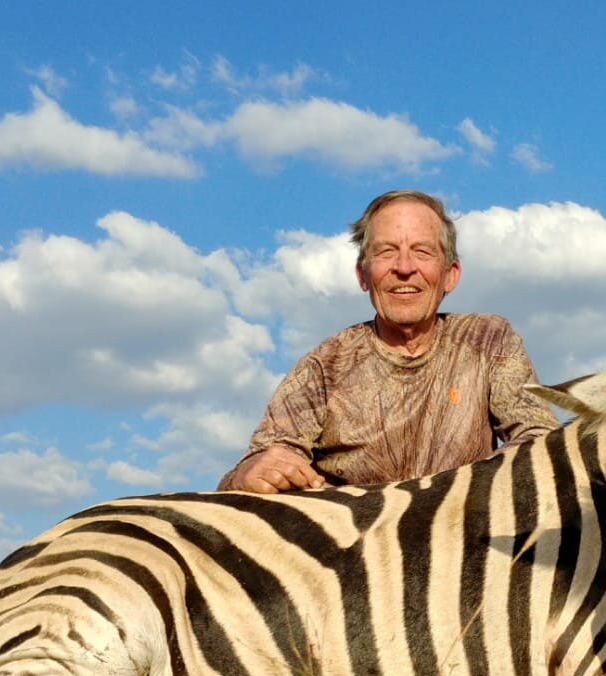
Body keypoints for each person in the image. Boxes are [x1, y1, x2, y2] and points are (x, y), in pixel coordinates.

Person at [219, 190, 558, 494]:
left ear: (450, 275)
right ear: (363, 275)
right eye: (386, 252)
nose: (404, 268)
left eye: (422, 252)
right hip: (351, 553)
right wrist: (247, 473)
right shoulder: (325, 366)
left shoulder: (488, 340)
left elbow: (540, 439)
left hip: (463, 539)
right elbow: (261, 465)